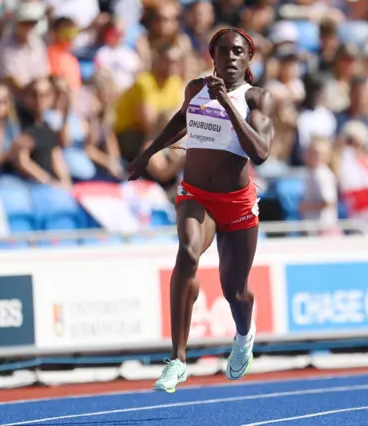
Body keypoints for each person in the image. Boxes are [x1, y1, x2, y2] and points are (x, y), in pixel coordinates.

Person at [128, 28, 275, 393]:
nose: (231, 56)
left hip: (237, 203)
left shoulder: (257, 98)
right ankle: (177, 360)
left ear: (249, 58)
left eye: (238, 51)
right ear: (213, 55)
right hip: (197, 195)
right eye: (223, 50)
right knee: (188, 252)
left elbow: (260, 152)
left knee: (234, 289)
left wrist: (227, 104)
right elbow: (181, 120)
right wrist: (147, 155)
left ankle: (243, 336)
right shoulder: (196, 88)